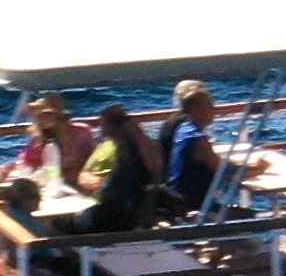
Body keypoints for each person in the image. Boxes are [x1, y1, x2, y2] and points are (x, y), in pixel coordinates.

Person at [72, 99, 163, 236]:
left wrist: (138, 134)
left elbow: (155, 167)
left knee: (55, 224)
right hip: (95, 202)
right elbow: (83, 174)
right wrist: (92, 180)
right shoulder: (105, 145)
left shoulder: (137, 150)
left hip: (114, 213)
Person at [158, 79, 227, 218]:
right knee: (249, 216)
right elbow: (222, 169)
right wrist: (253, 168)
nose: (214, 110)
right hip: (193, 203)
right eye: (210, 105)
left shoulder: (179, 127)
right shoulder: (193, 135)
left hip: (173, 193)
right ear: (196, 108)